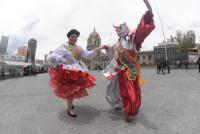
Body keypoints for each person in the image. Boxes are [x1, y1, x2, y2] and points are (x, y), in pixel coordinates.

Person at [101, 0, 155, 122]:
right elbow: (112, 53)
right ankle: (118, 103)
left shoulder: (133, 38)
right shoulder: (117, 43)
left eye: (120, 28)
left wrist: (148, 6)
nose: (118, 31)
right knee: (111, 89)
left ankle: (131, 111)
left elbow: (144, 25)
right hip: (118, 69)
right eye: (117, 30)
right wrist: (105, 48)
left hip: (130, 70)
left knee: (130, 91)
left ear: (125, 29)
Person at [48, 29, 101, 117]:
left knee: (75, 88)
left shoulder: (78, 47)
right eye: (72, 36)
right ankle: (69, 109)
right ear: (69, 37)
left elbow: (87, 54)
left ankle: (70, 104)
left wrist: (98, 49)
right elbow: (53, 55)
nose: (74, 38)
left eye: (76, 37)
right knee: (70, 89)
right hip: (68, 70)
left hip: (78, 69)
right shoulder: (64, 46)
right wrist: (63, 60)